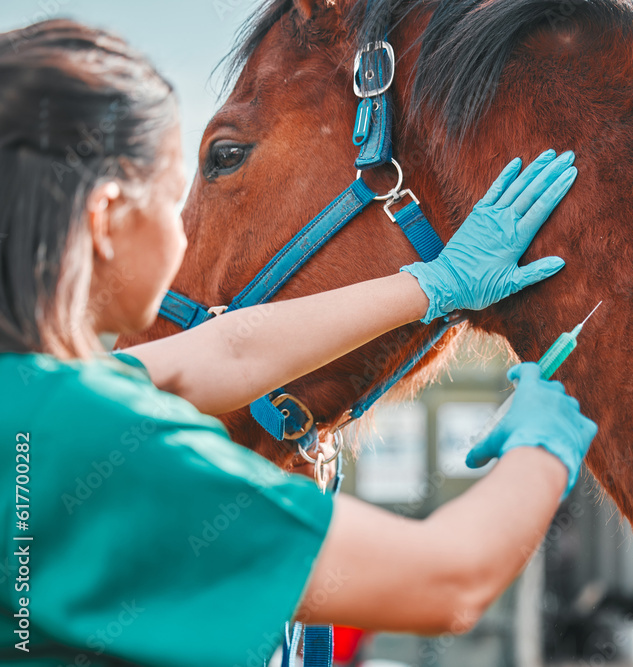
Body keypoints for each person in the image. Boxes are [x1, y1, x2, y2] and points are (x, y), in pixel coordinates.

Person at [0, 19, 599, 666]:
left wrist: (433, 285)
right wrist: (546, 440)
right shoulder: (99, 435)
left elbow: (226, 352)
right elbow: (448, 580)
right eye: (174, 198)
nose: (182, 232)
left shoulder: (33, 397)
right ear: (106, 217)